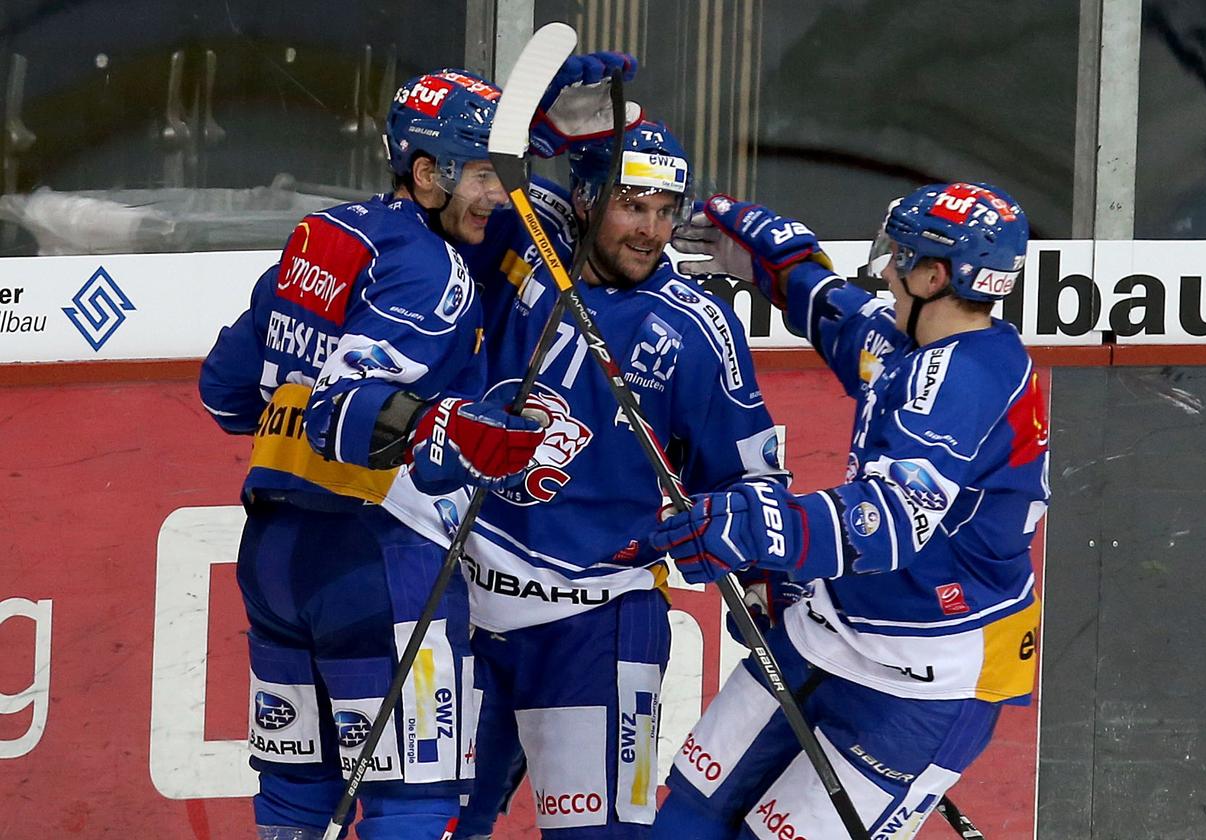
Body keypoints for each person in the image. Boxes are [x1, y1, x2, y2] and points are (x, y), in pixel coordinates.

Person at [197, 62, 631, 840]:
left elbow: (223, 393)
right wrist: (453, 429)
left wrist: (555, 129)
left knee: (299, 795)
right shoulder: (437, 276)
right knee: (413, 805)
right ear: (427, 172)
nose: (498, 196)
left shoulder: (324, 239)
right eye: (482, 177)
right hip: (381, 560)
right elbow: (345, 411)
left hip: (273, 557)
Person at [643, 183, 1050, 839]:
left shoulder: (965, 382)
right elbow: (846, 322)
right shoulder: (919, 346)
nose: (887, 268)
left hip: (923, 681)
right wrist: (773, 267)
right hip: (827, 634)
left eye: (901, 257)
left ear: (933, 275)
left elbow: (893, 519)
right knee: (685, 819)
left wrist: (760, 526)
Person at [452, 121, 789, 840]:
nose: (653, 230)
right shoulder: (525, 245)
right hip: (464, 600)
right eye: (633, 206)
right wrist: (533, 117)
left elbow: (750, 476)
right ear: (581, 200)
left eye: (668, 211)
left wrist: (762, 575)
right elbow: (453, 181)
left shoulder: (697, 327)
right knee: (436, 824)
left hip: (597, 621)